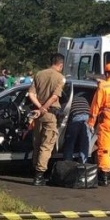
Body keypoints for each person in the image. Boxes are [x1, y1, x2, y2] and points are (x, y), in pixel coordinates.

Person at [27, 53, 66, 186]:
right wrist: (44, 108)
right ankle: (39, 175)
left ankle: (34, 170)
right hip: (50, 114)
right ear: (60, 65)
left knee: (37, 143)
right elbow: (55, 97)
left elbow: (31, 94)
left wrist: (39, 107)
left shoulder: (39, 74)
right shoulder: (60, 77)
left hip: (38, 115)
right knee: (46, 145)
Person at [62, 91, 91, 164]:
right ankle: (83, 163)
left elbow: (63, 113)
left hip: (76, 119)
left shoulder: (69, 101)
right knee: (85, 143)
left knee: (70, 142)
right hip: (87, 119)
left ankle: (68, 162)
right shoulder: (84, 100)